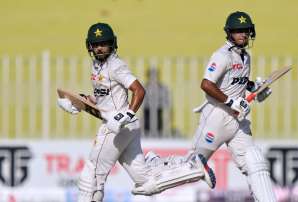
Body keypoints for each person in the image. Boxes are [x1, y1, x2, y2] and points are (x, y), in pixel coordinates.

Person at [57, 22, 215, 201]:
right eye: (96, 45)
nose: (100, 48)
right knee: (146, 182)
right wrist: (77, 102)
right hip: (125, 127)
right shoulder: (96, 66)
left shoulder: (115, 65)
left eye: (104, 44)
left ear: (112, 44)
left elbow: (139, 90)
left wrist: (126, 114)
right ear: (89, 46)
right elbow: (101, 100)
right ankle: (192, 168)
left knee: (91, 176)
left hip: (118, 126)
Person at [190, 11, 276, 202]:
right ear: (229, 33)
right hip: (217, 116)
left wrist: (255, 87)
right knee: (192, 167)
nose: (243, 34)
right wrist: (230, 101)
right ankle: (154, 169)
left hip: (238, 120)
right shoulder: (222, 55)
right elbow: (206, 84)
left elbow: (236, 83)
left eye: (246, 30)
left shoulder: (245, 57)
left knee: (254, 162)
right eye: (238, 31)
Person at [143, 67, 171, 137]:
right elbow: (142, 105)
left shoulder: (162, 88)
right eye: (151, 75)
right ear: (148, 76)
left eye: (154, 75)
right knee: (147, 135)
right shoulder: (144, 88)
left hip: (159, 116)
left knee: (159, 134)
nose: (153, 77)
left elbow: (167, 104)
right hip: (147, 115)